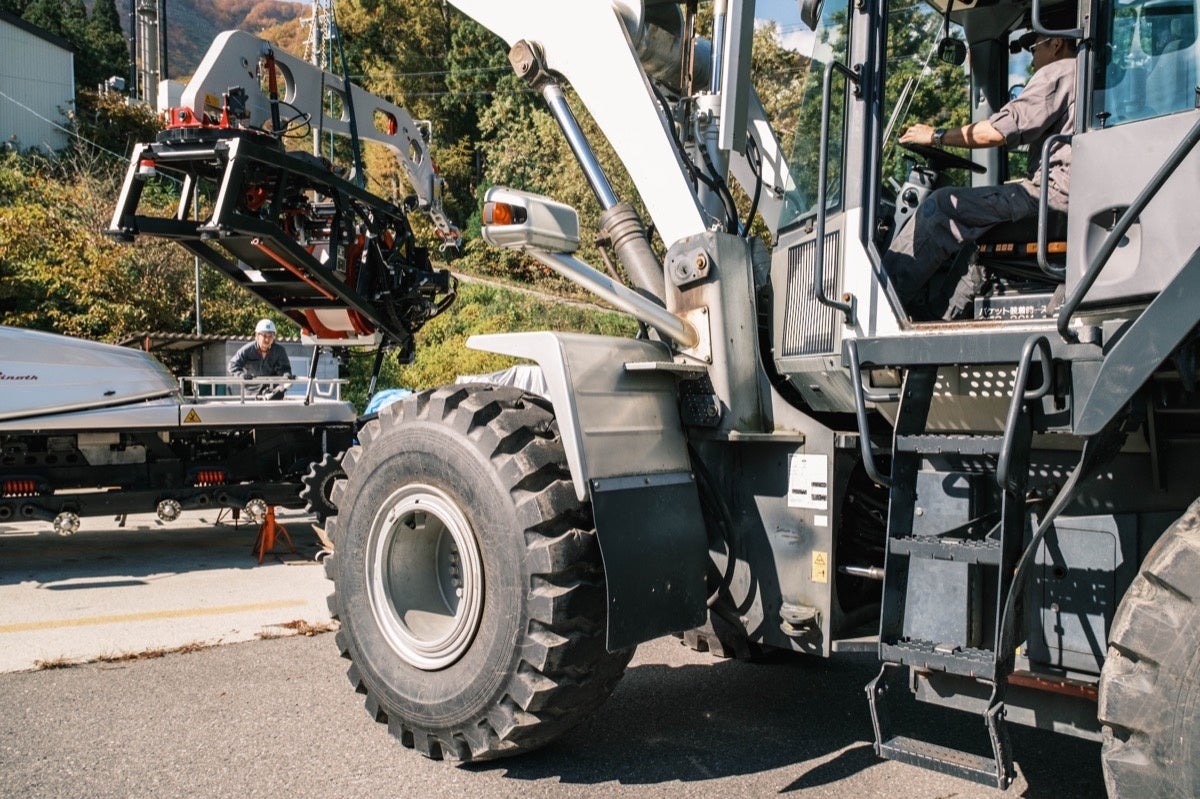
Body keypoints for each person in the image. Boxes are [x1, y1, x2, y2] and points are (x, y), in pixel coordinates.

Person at [883, 26, 1077, 320]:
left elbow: (996, 131)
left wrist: (934, 136)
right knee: (979, 231)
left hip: (1052, 197)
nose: (1032, 58)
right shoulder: (1085, 74)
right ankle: (941, 319)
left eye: (1034, 47)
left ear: (1057, 42)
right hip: (1066, 198)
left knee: (943, 206)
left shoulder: (1060, 71)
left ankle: (879, 307)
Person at [228, 319, 293, 383]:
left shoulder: (279, 351)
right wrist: (242, 375)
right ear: (257, 336)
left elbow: (285, 368)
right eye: (264, 336)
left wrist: (286, 375)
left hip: (273, 389)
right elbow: (232, 365)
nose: (267, 339)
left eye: (270, 336)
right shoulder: (247, 350)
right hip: (252, 390)